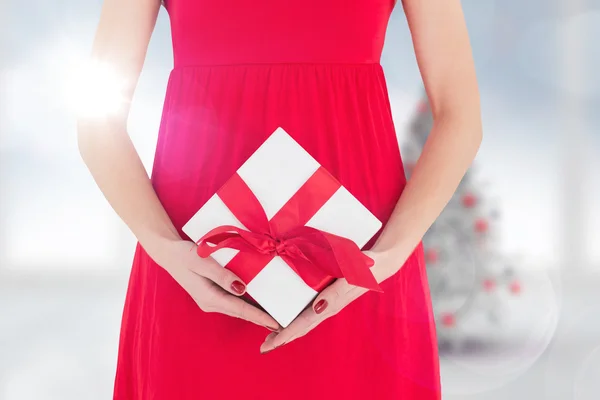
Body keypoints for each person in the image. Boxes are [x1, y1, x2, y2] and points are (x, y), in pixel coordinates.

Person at [77, 0, 481, 399]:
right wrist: (166, 249)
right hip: (197, 267)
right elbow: (98, 123)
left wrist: (387, 257)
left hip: (356, 265)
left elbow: (459, 116)